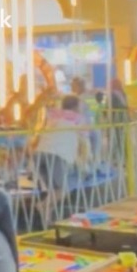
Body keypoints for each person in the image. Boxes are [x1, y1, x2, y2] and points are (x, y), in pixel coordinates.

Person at [34, 94, 85, 224]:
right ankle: (42, 205)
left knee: (53, 190)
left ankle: (47, 219)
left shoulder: (53, 116)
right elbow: (84, 138)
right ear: (75, 106)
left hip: (40, 153)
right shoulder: (77, 119)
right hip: (57, 154)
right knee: (63, 190)